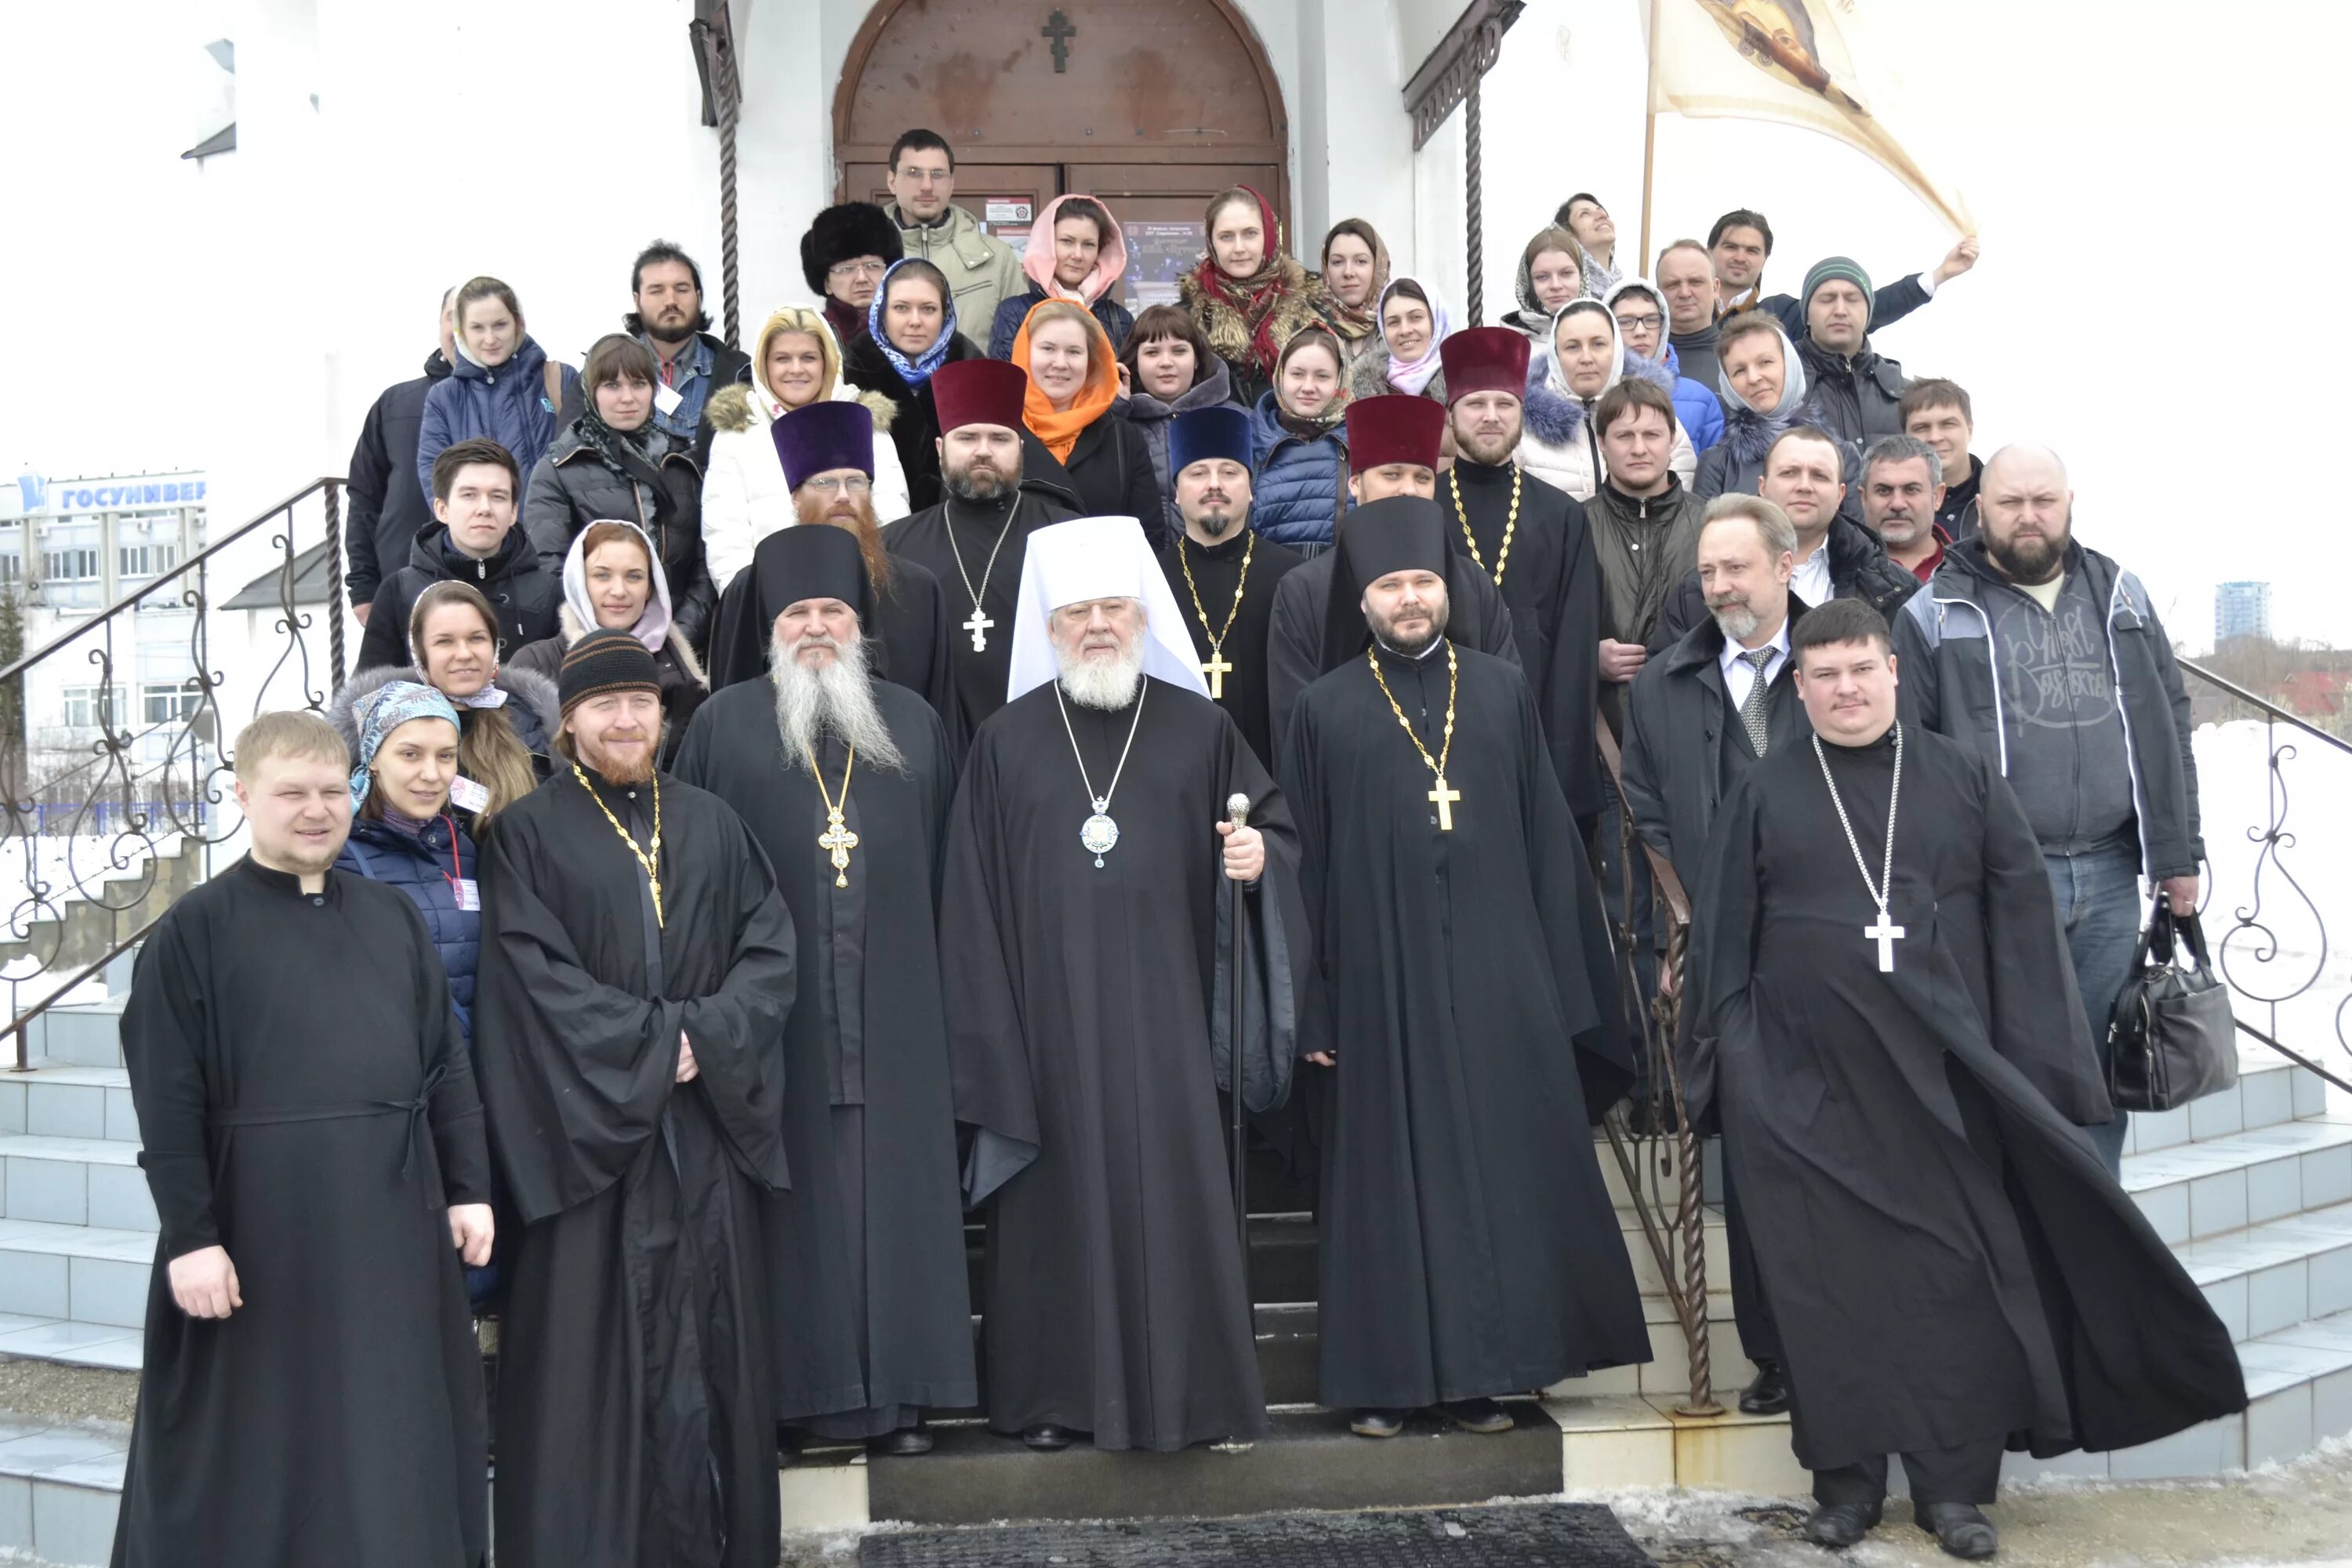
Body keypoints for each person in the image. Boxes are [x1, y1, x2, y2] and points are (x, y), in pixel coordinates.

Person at [1684, 597, 2245, 1559]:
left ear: (1894, 673)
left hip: (1944, 1083)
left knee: (1959, 1285)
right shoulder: (1765, 789)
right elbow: (1724, 944)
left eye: (1862, 668)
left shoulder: (1962, 776)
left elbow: (2025, 927)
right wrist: (1737, 1065)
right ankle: (1848, 1484)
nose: (1847, 688)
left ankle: (1953, 1491)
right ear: (1802, 686)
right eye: (1826, 675)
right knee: (1829, 1293)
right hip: (1804, 1091)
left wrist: (2032, 1074)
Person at [1279, 496, 1646, 1439]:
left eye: (1424, 582)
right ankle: (1384, 1380)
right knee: (1386, 1179)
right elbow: (1306, 863)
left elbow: (1546, 844)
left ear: (1450, 590)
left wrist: (1565, 984)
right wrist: (1313, 1003)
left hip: (1499, 968)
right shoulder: (1323, 708)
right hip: (1377, 977)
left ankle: (1490, 1371)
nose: (1409, 599)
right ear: (1361, 600)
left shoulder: (1498, 690)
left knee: (1496, 1171)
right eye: (1391, 585)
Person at [939, 515, 1307, 1452]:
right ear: (1049, 626)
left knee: (1178, 1196)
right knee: (1051, 1207)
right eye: (1077, 611)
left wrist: (1260, 855)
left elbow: (1273, 833)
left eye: (1113, 607)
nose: (1097, 624)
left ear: (1143, 616)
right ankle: (1055, 1397)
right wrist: (991, 1034)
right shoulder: (1004, 742)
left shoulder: (1203, 726)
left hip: (1175, 1020)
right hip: (1047, 1026)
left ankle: (1197, 1397)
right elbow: (970, 899)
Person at [113, 711, 493, 1568]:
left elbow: (446, 1064)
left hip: (391, 1225)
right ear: (245, 796)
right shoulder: (192, 933)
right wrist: (192, 1238)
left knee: (389, 1431)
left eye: (332, 790)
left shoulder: (392, 919)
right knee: (258, 1447)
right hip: (255, 1230)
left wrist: (468, 1186)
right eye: (292, 792)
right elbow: (166, 1104)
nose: (315, 809)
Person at [474, 629, 793, 1568]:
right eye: (604, 705)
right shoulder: (528, 833)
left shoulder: (713, 819)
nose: (625, 718)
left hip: (702, 1139)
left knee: (715, 1353)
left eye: (641, 703)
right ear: (568, 721)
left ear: (661, 714)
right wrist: (662, 1046)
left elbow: (769, 954)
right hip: (593, 1151)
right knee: (595, 1369)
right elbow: (533, 978)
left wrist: (707, 1037)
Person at [673, 524, 976, 1457]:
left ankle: (908, 1398)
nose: (815, 627)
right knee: (792, 1205)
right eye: (797, 612)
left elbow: (953, 875)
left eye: (832, 611)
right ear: (770, 626)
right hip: (776, 1020)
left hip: (901, 1009)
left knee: (900, 1198)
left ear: (860, 626)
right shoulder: (722, 723)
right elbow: (692, 877)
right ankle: (800, 1396)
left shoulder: (915, 724)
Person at [1895, 446, 2205, 1176]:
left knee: (2097, 1061)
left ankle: (2100, 1220)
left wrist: (2178, 854)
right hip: (1999, 876)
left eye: (2044, 500)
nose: (2029, 516)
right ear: (1980, 510)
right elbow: (1912, 758)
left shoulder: (2122, 596)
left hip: (2107, 872)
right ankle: (2021, 1221)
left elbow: (2170, 721)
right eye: (2011, 503)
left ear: (2070, 503)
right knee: (2012, 1057)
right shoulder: (1934, 609)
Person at [1619, 495, 1811, 1416]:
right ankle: (1775, 1353)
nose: (1722, 585)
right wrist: (1679, 931)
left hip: (1836, 952)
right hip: (1724, 964)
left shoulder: (1841, 655)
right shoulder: (1663, 682)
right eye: (1708, 572)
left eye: (1738, 566)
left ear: (1786, 563)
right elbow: (1647, 813)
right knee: (1755, 1171)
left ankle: (1848, 1336)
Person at [1265, 395, 1526, 753]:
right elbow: (1296, 728)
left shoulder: (1472, 584)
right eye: (1391, 474)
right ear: (1355, 483)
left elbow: (1508, 703)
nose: (1408, 489)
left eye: (1422, 477)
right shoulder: (1303, 590)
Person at [706, 402, 963, 751]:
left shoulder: (918, 589)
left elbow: (941, 713)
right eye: (826, 482)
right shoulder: (752, 588)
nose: (843, 496)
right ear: (796, 496)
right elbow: (727, 713)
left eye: (856, 481)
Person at [1439, 326, 1607, 825]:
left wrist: (1558, 759)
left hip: (1540, 730)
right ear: (1451, 416)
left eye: (1505, 404)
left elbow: (1577, 647)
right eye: (1475, 404)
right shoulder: (1423, 509)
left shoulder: (1562, 516)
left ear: (1522, 414)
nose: (1491, 416)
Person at [884, 358, 1084, 740]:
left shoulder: (1067, 536)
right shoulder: (894, 546)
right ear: (941, 449)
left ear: (1020, 450)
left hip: (1050, 741)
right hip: (934, 747)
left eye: (999, 438)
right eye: (967, 438)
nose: (983, 451)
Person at [523, 334, 714, 652]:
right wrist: (609, 637)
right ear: (591, 391)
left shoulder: (683, 463)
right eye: (612, 386)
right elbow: (552, 570)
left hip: (679, 648)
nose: (628, 398)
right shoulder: (559, 468)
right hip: (593, 646)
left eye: (639, 384)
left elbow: (703, 566)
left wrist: (675, 636)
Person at [703, 305, 913, 593]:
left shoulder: (862, 422)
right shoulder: (737, 432)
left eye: (809, 358)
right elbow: (725, 537)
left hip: (860, 596)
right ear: (764, 364)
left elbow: (892, 520)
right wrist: (748, 601)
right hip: (768, 601)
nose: (796, 369)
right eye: (782, 359)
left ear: (827, 362)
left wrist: (873, 593)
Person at [1659, 424, 1915, 648]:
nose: (1804, 486)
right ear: (1763, 488)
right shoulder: (1700, 589)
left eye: (1819, 475)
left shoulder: (1894, 587)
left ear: (1840, 494)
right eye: (1789, 473)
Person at [1156, 405, 1305, 762]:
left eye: (1229, 472)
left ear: (1251, 488)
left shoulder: (1295, 576)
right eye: (1197, 473)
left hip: (1274, 765)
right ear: (1176, 491)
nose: (1214, 485)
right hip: (1176, 767)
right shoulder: (1151, 578)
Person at [510, 519, 709, 765]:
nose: (618, 590)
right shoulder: (534, 665)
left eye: (634, 576)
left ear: (650, 588)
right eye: (602, 575)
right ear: (580, 582)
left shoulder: (685, 673)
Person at [358, 438, 561, 673]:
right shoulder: (399, 591)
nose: (484, 508)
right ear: (442, 509)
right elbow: (371, 689)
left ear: (514, 511)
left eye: (498, 496)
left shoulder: (548, 591)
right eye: (469, 495)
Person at [1584, 379, 1708, 735]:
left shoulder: (1713, 524)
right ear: (1602, 443)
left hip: (1695, 723)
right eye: (1625, 436)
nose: (1639, 448)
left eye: (1651, 435)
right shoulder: (1572, 524)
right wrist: (1587, 658)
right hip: (1600, 734)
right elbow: (1547, 626)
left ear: (1671, 440)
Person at [416, 276, 578, 509]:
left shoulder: (559, 379)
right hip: (479, 540)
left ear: (518, 323)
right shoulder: (444, 397)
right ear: (462, 332)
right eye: (477, 328)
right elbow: (436, 481)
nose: (490, 339)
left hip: (552, 540)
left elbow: (584, 469)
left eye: (500, 325)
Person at [1011, 299, 1165, 543]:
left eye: (1074, 351)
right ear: (1025, 352)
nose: (1060, 363)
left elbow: (1148, 534)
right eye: (1048, 349)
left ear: (1091, 361)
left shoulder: (1121, 437)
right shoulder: (1000, 432)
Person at [843, 257, 988, 513]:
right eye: (901, 308)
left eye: (928, 309)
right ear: (881, 312)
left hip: (959, 525)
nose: (915, 321)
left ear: (945, 314)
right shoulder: (852, 374)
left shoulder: (974, 372)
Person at [1519, 299, 1697, 502]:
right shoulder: (1523, 430)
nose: (1586, 358)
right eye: (1572, 347)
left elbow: (1682, 508)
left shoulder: (1654, 412)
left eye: (1598, 344)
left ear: (1617, 349)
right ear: (1555, 354)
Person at [347, 288, 456, 625]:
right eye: (454, 316)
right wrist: (363, 589)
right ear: (439, 324)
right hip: (404, 592)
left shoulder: (523, 407)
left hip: (498, 588)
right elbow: (365, 498)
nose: (464, 328)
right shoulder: (395, 404)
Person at [1704, 207, 1971, 337]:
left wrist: (1940, 275)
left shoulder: (1780, 314)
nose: (1741, 257)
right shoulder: (1677, 307)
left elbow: (1867, 311)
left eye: (1752, 251)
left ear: (1765, 259)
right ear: (1710, 251)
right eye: (1731, 247)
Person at [1181, 184, 1327, 408]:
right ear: (1211, 243)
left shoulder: (1313, 309)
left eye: (1250, 233)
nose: (1239, 248)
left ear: (1269, 236)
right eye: (1226, 237)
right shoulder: (1187, 316)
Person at [1693, 312, 1857, 503]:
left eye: (1765, 362)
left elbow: (1854, 531)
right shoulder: (1717, 463)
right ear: (1727, 383)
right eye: (1739, 370)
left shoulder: (1843, 456)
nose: (1754, 378)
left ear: (1790, 365)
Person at [1113, 303, 1242, 537]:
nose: (1166, 362)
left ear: (1197, 359)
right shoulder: (1121, 423)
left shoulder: (1234, 420)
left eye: (1179, 351)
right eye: (1152, 352)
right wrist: (1116, 408)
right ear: (1134, 362)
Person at [879, 127, 1023, 333]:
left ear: (952, 183)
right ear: (892, 182)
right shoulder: (864, 259)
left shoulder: (996, 258)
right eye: (914, 173)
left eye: (938, 174)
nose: (927, 185)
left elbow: (1018, 343)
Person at [622, 241, 749, 463]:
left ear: (698, 297)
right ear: (637, 300)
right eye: (656, 290)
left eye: (681, 289)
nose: (671, 301)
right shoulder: (604, 371)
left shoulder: (738, 373)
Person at [988, 194, 1134, 360]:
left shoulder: (1119, 319)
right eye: (1067, 241)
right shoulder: (1014, 313)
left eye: (1089, 244)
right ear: (1046, 244)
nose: (1078, 255)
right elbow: (1006, 382)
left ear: (1099, 250)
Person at [1247, 327, 1353, 551]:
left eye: (1322, 376)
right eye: (1297, 374)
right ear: (1280, 375)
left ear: (1340, 380)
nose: (1308, 387)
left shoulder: (1360, 442)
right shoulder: (1252, 441)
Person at [1793, 258, 1911, 447]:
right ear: (1806, 314)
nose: (1840, 310)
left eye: (1852, 299)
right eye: (1827, 299)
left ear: (1869, 313)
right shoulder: (1781, 388)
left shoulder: (1905, 395)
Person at [1609, 278, 1724, 454]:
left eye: (1651, 319)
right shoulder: (1593, 392)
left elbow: (1715, 474)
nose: (1640, 332)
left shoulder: (1701, 398)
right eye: (1625, 322)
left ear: (1663, 326)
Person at [800, 200, 904, 348]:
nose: (862, 278)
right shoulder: (810, 336)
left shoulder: (911, 329)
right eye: (846, 269)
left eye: (872, 266)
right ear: (827, 283)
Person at [1349, 277, 1450, 408]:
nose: (1405, 330)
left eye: (1416, 318)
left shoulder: (1463, 383)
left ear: (1436, 322)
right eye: (1393, 322)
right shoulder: (1357, 392)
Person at [1862, 433, 1952, 580]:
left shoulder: (1972, 571)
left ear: (1938, 497)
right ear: (1864, 498)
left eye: (1911, 490)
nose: (1897, 504)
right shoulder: (1832, 569)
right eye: (1884, 490)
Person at [1901, 378, 1984, 538]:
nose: (1935, 437)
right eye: (1922, 427)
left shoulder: (2003, 497)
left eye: (1948, 424)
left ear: (1970, 430)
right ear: (1904, 435)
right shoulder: (1889, 505)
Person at [1316, 217, 1392, 381]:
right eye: (1337, 262)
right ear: (1326, 269)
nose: (1348, 272)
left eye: (1361, 261)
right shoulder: (1308, 325)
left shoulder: (1400, 324)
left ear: (1378, 266)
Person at [1658, 239, 1728, 400]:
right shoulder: (1640, 359)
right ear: (1658, 293)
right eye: (1672, 284)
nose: (1684, 293)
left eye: (1696, 282)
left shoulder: (1740, 358)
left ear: (1716, 288)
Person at [1501, 226, 1585, 343]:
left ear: (1582, 276)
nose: (1556, 285)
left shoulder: (1608, 334)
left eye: (1566, 273)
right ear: (1528, 282)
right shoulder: (1509, 347)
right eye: (1542, 277)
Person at [1554, 191, 1623, 296]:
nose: (1602, 215)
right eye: (1585, 214)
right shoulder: (1560, 292)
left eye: (1601, 211)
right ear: (1567, 233)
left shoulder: (1627, 289)